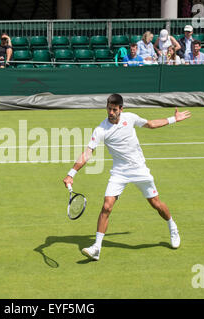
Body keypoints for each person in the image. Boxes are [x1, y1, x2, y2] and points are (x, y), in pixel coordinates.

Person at [62, 94, 191, 261]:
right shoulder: (100, 130)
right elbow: (88, 153)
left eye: (114, 109)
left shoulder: (130, 118)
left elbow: (151, 124)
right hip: (119, 172)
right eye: (109, 108)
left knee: (156, 204)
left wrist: (173, 119)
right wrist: (71, 173)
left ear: (121, 109)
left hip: (139, 170)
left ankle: (172, 227)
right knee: (107, 206)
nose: (111, 112)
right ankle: (97, 248)